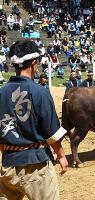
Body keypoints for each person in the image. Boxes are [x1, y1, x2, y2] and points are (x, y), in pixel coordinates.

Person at [0, 40, 68, 199]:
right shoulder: (40, 92)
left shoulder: (1, 93)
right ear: (33, 63)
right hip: (36, 166)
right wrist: (62, 156)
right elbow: (51, 133)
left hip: (8, 166)